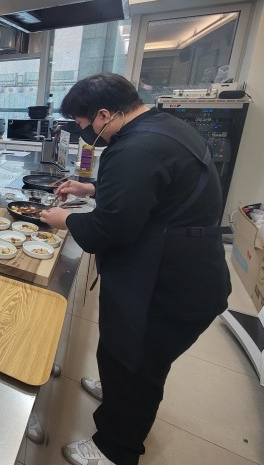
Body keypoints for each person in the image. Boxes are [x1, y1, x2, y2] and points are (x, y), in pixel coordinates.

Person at [38, 73, 230, 465]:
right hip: (183, 269)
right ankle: (116, 388)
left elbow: (112, 227)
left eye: (83, 123)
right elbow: (156, 190)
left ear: (104, 114)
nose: (85, 133)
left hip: (166, 284)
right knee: (123, 356)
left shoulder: (135, 148)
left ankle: (115, 449)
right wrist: (92, 189)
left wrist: (65, 219)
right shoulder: (163, 127)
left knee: (137, 368)